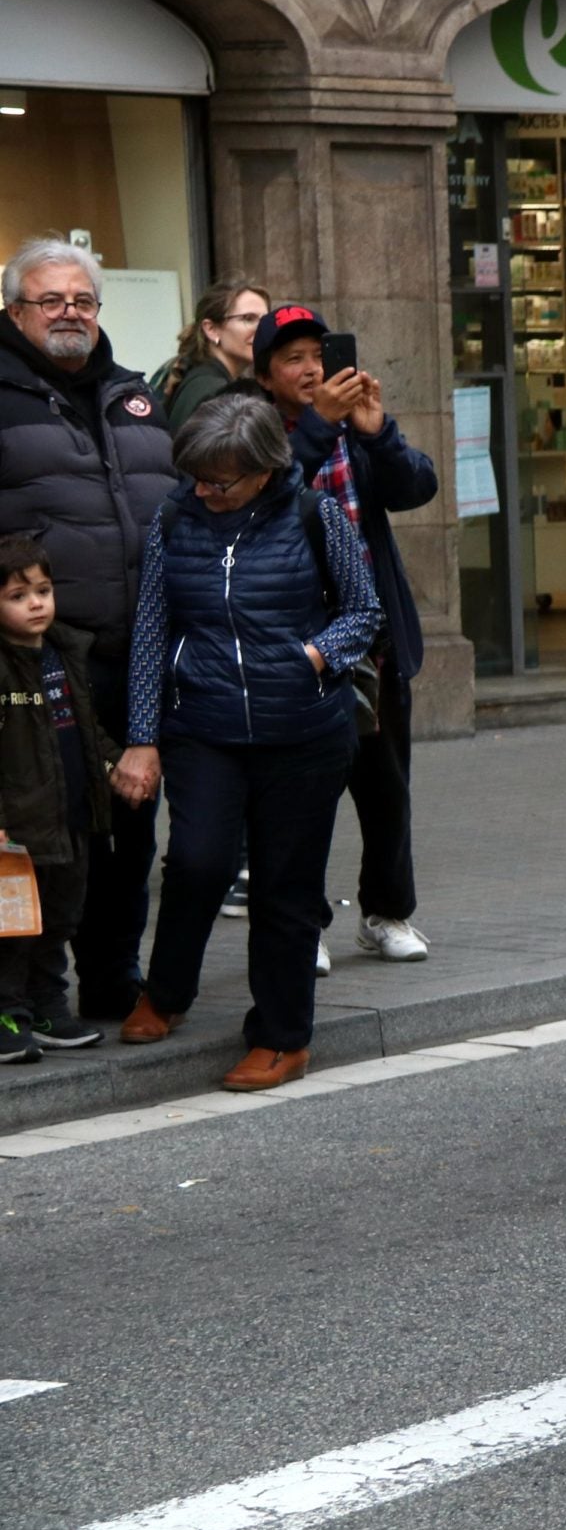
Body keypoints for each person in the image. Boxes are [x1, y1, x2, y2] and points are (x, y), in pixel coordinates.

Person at [111, 396, 380, 1091]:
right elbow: (151, 633)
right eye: (196, 476)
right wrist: (142, 736)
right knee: (196, 863)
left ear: (265, 469)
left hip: (303, 732)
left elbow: (364, 609)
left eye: (220, 480)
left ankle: (282, 1035)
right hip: (204, 726)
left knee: (285, 887)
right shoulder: (175, 520)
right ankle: (167, 990)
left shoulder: (313, 515)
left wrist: (314, 656)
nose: (204, 490)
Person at [0, 238, 180, 1035]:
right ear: (14, 310)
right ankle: (36, 987)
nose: (70, 311)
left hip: (135, 649)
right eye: (51, 300)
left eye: (83, 300)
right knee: (51, 827)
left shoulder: (133, 393)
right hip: (42, 656)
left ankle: (114, 974)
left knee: (130, 822)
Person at [256, 305, 440, 966]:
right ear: (267, 375)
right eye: (293, 360)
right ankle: (301, 923)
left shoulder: (354, 431)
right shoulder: (253, 431)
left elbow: (418, 485)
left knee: (386, 788)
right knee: (301, 796)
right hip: (298, 645)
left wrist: (378, 432)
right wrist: (312, 430)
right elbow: (263, 499)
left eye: (318, 355)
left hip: (373, 640)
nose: (311, 370)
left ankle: (387, 911)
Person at [0, 534, 116, 1062]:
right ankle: (7, 1012)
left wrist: (114, 764)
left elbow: (85, 728)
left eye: (43, 590)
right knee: (13, 925)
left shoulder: (65, 654)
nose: (36, 603)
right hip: (18, 826)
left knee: (61, 916)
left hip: (69, 814)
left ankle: (47, 1005)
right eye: (18, 596)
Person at [152, 277, 271, 430]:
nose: (261, 329)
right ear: (211, 329)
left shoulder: (198, 377)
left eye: (265, 320)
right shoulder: (215, 392)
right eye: (248, 318)